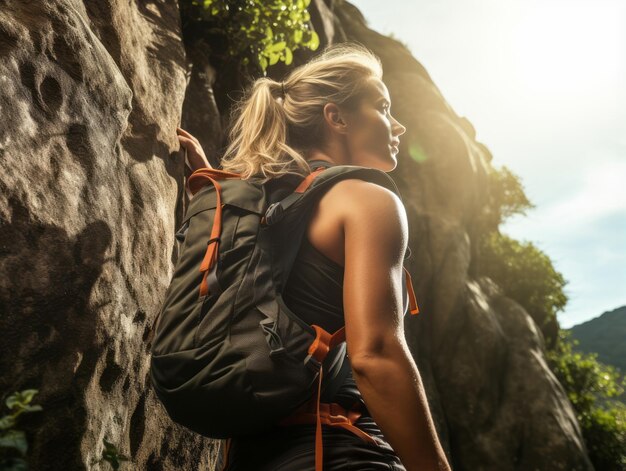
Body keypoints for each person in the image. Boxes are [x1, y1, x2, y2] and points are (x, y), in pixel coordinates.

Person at [176, 42, 451, 471]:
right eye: (382, 106)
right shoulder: (365, 200)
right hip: (342, 451)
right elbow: (374, 354)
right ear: (336, 117)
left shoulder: (251, 208)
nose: (397, 126)